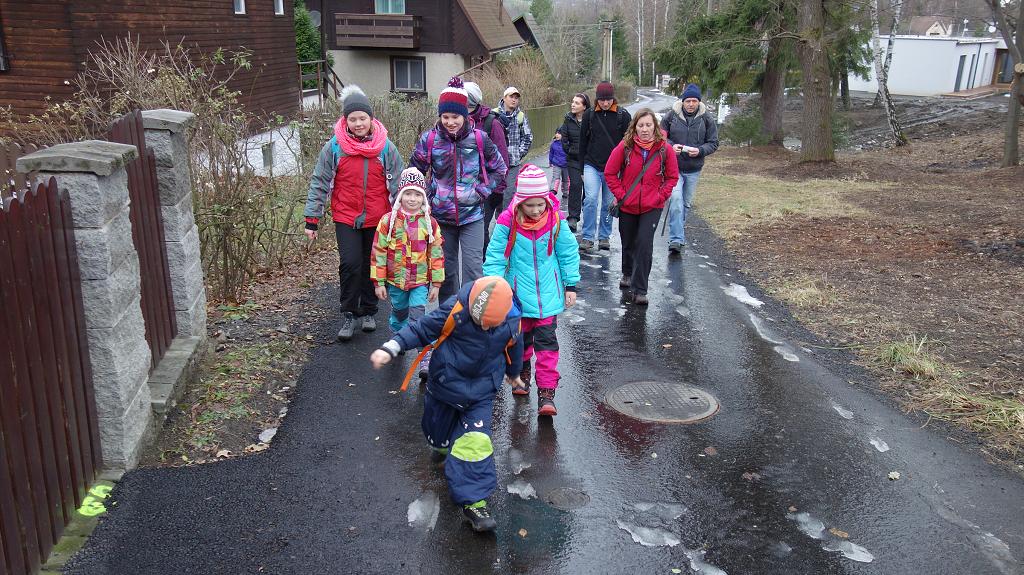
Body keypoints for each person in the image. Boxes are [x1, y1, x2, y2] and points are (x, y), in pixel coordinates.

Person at [370, 276, 525, 532]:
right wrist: (391, 347)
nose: (484, 329)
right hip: (445, 385)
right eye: (479, 323)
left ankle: (474, 502)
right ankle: (440, 446)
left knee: (474, 442)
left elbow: (514, 346)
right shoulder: (455, 310)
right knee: (436, 432)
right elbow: (420, 329)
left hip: (481, 393)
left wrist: (514, 372)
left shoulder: (511, 321)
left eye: (490, 325)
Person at [305, 85, 403, 341]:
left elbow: (398, 185)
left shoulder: (385, 148)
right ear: (345, 120)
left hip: (378, 217)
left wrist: (401, 217)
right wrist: (312, 219)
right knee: (350, 264)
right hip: (346, 216)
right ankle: (349, 312)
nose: (358, 123)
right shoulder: (335, 147)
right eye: (353, 119)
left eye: (362, 118)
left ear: (371, 119)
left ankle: (369, 310)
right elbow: (320, 181)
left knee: (372, 265)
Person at [483, 165, 580, 416]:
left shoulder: (556, 222)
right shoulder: (507, 223)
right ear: (519, 203)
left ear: (547, 201)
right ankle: (522, 373)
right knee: (520, 342)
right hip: (517, 299)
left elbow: (568, 253)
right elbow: (495, 257)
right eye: (530, 205)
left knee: (547, 345)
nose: (536, 210)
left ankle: (547, 393)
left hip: (548, 297)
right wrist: (493, 286)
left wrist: (571, 285)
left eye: (540, 204)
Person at [409, 76, 507, 303]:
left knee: (473, 270)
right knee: (446, 271)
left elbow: (499, 169)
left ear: (466, 115)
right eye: (445, 117)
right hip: (440, 217)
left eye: (455, 117)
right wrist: (426, 198)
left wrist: (481, 192)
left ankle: (471, 317)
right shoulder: (430, 140)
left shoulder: (479, 139)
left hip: (472, 215)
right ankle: (448, 318)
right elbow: (413, 173)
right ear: (439, 116)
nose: (450, 122)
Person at [605, 108, 679, 305]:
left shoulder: (665, 149)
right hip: (628, 205)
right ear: (634, 127)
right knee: (628, 242)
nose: (645, 129)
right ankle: (627, 273)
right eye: (641, 125)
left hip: (652, 206)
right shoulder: (625, 147)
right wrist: (621, 195)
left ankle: (640, 290)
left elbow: (672, 176)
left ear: (655, 126)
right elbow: (610, 173)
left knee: (644, 245)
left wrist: (660, 196)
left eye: (648, 125)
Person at [370, 167, 444, 337]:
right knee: (400, 314)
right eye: (408, 194)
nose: (412, 199)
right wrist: (378, 282)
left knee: (418, 316)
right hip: (396, 281)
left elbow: (436, 254)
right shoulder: (388, 221)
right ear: (400, 195)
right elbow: (378, 252)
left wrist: (436, 283)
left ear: (423, 198)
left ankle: (421, 351)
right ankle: (398, 337)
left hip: (420, 280)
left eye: (418, 195)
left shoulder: (430, 224)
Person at [660, 83, 719, 254]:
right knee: (676, 201)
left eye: (694, 101)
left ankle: (678, 233)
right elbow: (661, 138)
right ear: (683, 101)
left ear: (698, 102)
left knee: (685, 204)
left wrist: (700, 151)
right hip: (673, 168)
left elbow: (713, 143)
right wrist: (671, 147)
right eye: (688, 101)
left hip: (694, 168)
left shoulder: (706, 118)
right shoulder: (671, 116)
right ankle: (676, 239)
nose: (691, 104)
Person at [578, 81, 631, 252]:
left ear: (613, 98)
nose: (605, 103)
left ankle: (604, 237)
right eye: (602, 100)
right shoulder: (589, 115)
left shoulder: (623, 116)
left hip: (614, 169)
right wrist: (581, 169)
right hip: (591, 164)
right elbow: (582, 143)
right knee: (591, 199)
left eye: (608, 99)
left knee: (609, 202)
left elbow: (628, 144)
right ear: (597, 99)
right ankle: (587, 236)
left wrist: (625, 170)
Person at [465, 81, 510, 249]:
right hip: (465, 188)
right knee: (473, 233)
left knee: (480, 230)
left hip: (486, 188)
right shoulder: (458, 120)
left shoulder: (492, 123)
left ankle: (487, 267)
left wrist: (498, 191)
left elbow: (502, 159)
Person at [554, 93, 590, 233]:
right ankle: (573, 217)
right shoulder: (568, 119)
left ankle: (587, 216)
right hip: (574, 159)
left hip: (589, 160)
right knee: (575, 185)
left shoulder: (590, 120)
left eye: (577, 103)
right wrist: (570, 150)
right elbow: (564, 138)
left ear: (584, 106)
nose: (573, 105)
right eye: (573, 102)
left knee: (589, 190)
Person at [496, 86, 534, 211]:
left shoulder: (521, 116)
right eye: (511, 97)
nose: (514, 100)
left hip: (513, 163)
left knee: (509, 193)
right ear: (504, 98)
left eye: (516, 98)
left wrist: (519, 153)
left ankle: (505, 221)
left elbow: (528, 137)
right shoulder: (494, 114)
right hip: (495, 162)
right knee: (496, 193)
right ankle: (498, 218)